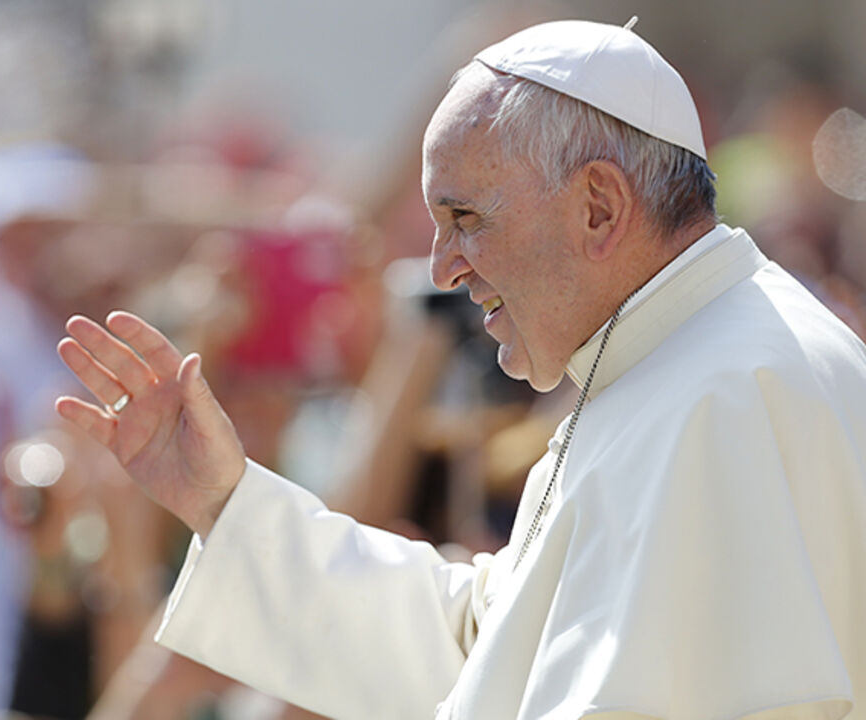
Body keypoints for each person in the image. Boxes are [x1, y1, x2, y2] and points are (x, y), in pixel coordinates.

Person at [55, 19, 866, 720]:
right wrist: (222, 501)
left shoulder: (732, 395)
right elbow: (486, 645)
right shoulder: (670, 363)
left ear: (599, 208)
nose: (442, 268)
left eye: (466, 218)